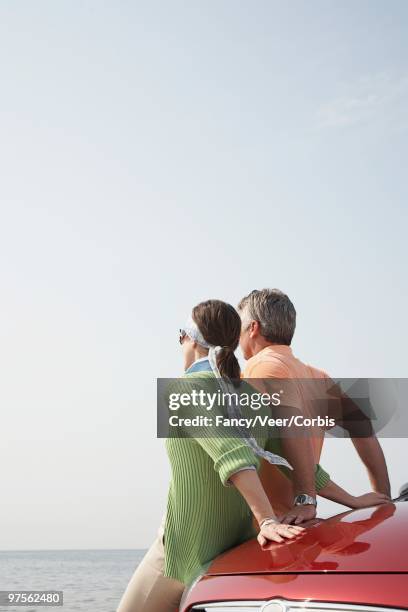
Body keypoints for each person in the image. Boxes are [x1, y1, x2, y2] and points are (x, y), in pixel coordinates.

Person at [117, 299, 305, 612]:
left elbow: (231, 454)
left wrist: (268, 519)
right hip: (233, 551)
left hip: (181, 551)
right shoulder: (252, 397)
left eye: (180, 334)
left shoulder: (184, 389)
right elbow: (297, 464)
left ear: (190, 338)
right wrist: (354, 500)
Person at [238, 288, 391, 524]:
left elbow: (291, 426)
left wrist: (306, 498)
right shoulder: (318, 377)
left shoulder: (260, 367)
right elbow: (361, 427)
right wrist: (383, 500)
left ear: (253, 328)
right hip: (299, 527)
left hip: (267, 529)